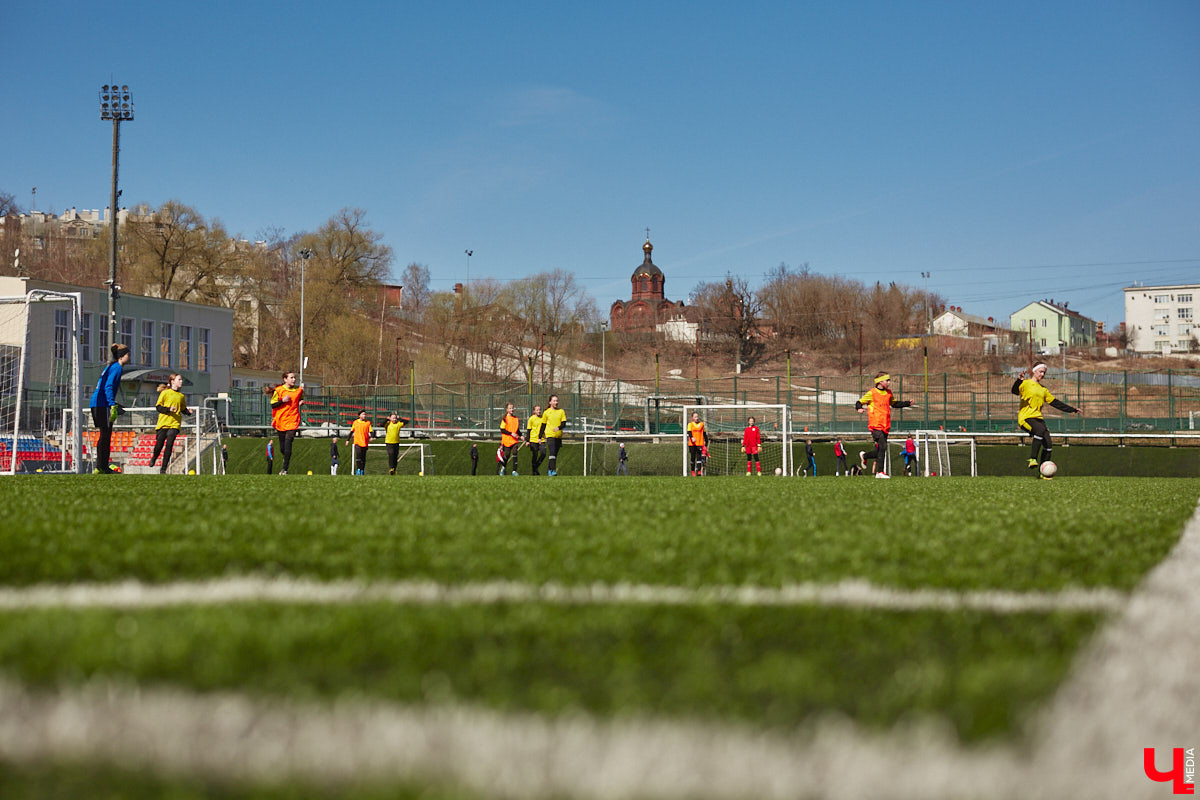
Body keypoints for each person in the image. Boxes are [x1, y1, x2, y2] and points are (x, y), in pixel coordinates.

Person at [1013, 363, 1080, 478]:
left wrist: (1072, 409)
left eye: (1044, 372)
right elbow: (1014, 391)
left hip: (1038, 418)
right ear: (1034, 371)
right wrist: (1018, 381)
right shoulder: (1026, 383)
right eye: (1040, 371)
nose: (1043, 374)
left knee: (1048, 444)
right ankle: (1033, 459)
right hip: (1026, 418)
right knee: (1040, 431)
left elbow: (1055, 403)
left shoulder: (1043, 389)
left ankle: (1043, 474)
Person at [856, 371, 916, 479]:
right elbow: (859, 402)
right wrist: (859, 408)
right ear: (879, 381)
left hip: (885, 426)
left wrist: (907, 403)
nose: (889, 382)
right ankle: (880, 472)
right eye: (887, 380)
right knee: (882, 447)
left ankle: (865, 455)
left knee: (880, 451)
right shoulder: (872, 393)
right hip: (875, 425)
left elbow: (895, 404)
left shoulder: (888, 393)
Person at [88, 342, 131, 474]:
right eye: (128, 354)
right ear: (122, 356)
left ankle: (101, 466)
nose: (129, 357)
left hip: (98, 403)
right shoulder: (117, 367)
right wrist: (112, 404)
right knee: (105, 436)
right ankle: (102, 467)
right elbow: (108, 386)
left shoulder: (111, 366)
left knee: (104, 435)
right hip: (102, 404)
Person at [148, 374, 192, 474]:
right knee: (159, 445)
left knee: (169, 444)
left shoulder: (181, 396)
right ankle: (154, 457)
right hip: (163, 423)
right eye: (179, 379)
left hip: (175, 424)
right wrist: (168, 409)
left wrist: (188, 412)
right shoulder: (165, 393)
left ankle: (163, 469)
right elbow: (158, 407)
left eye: (181, 379)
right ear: (172, 381)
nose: (181, 381)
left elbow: (183, 409)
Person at [270, 371, 304, 475]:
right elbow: (273, 405)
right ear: (285, 379)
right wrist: (282, 401)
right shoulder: (279, 390)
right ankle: (285, 458)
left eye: (294, 378)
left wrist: (300, 402)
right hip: (281, 420)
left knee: (289, 442)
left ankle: (284, 469)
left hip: (293, 420)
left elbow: (300, 398)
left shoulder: (298, 390)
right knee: (282, 448)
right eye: (291, 378)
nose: (294, 379)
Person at [542, 394, 567, 476]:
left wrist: (558, 428)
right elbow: (543, 425)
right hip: (550, 435)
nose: (556, 402)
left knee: (554, 454)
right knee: (552, 452)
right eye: (554, 401)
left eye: (557, 401)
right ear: (550, 402)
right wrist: (539, 437)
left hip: (558, 436)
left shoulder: (561, 411)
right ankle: (553, 470)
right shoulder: (546, 413)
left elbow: (564, 423)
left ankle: (549, 469)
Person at [497, 402, 521, 475]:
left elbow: (517, 429)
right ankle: (503, 468)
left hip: (514, 440)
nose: (512, 409)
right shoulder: (505, 418)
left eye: (512, 408)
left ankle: (514, 471)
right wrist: (511, 433)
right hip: (506, 440)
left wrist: (521, 435)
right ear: (507, 409)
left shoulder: (515, 418)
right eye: (510, 408)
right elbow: (502, 429)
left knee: (515, 452)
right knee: (507, 454)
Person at [526, 404, 546, 475]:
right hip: (533, 439)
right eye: (537, 410)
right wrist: (527, 441)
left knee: (543, 453)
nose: (539, 411)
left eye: (540, 409)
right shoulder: (531, 419)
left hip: (541, 439)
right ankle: (534, 470)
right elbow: (528, 430)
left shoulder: (543, 418)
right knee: (535, 454)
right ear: (534, 411)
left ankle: (536, 466)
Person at [350, 410, 372, 475]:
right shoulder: (355, 422)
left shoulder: (368, 423)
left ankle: (362, 470)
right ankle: (358, 469)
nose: (364, 416)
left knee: (363, 457)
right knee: (358, 455)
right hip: (357, 442)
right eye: (363, 414)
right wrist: (348, 440)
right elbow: (352, 431)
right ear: (359, 415)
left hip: (365, 442)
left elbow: (371, 431)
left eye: (365, 414)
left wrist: (372, 437)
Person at [687, 411, 707, 476]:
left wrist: (706, 441)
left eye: (697, 417)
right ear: (692, 417)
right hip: (692, 444)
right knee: (693, 457)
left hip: (699, 443)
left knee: (699, 457)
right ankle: (692, 471)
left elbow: (704, 433)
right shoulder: (690, 424)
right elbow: (689, 432)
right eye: (695, 417)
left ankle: (698, 471)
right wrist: (692, 437)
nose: (696, 418)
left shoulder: (701, 424)